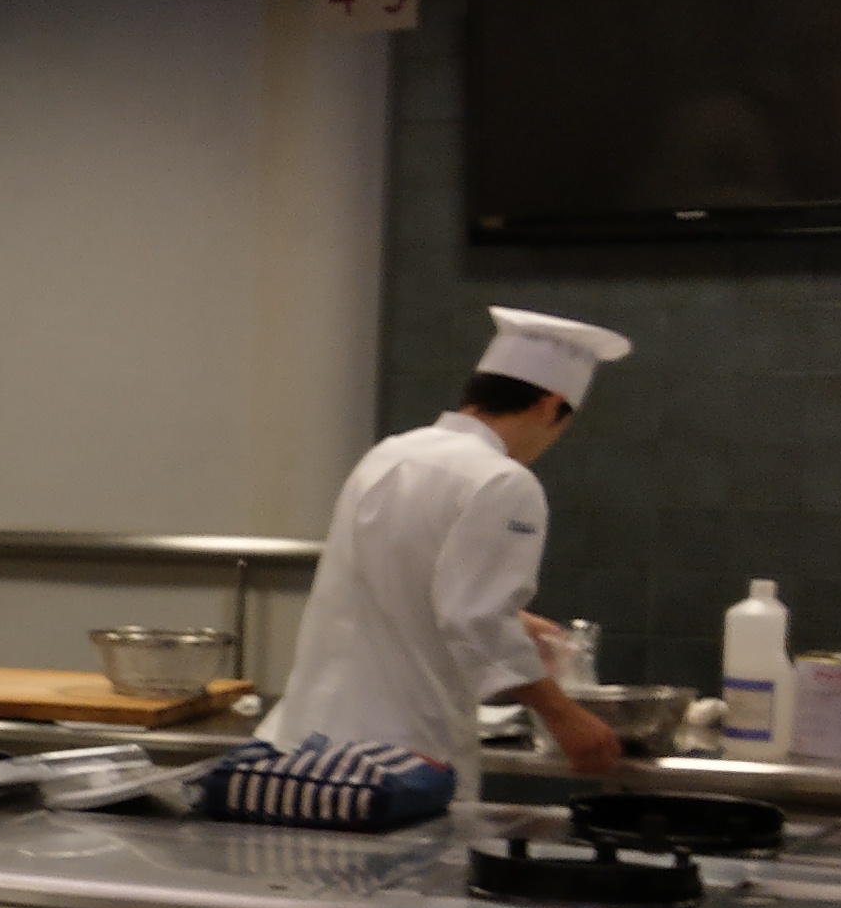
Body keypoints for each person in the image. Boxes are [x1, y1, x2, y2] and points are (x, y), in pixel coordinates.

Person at [269, 306, 633, 795]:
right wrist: (564, 715)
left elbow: (393, 576)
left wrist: (519, 622)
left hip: (309, 739)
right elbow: (477, 620)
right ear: (550, 406)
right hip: (399, 759)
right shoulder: (503, 480)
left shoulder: (391, 452)